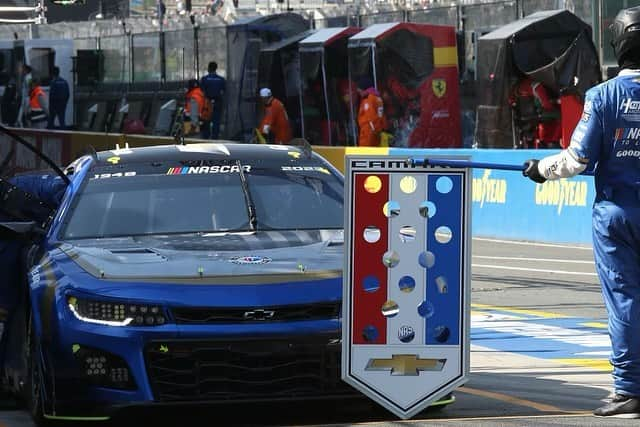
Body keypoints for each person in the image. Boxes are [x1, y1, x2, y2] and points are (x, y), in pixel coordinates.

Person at [523, 6, 640, 418]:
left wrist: (540, 170)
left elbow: (574, 160)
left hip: (617, 216)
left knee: (625, 299)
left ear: (617, 45)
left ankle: (629, 390)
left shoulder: (603, 97)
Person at [356, 77, 386, 147]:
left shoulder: (368, 99)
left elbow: (370, 116)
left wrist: (372, 130)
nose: (358, 91)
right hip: (376, 130)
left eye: (359, 89)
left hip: (368, 132)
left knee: (365, 153)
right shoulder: (377, 97)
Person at [200, 61, 226, 139]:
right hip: (218, 102)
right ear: (216, 68)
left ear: (208, 68)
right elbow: (224, 91)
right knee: (216, 121)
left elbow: (201, 91)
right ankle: (215, 138)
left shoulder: (204, 79)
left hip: (207, 103)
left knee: (206, 120)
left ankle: (206, 137)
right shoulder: (221, 79)